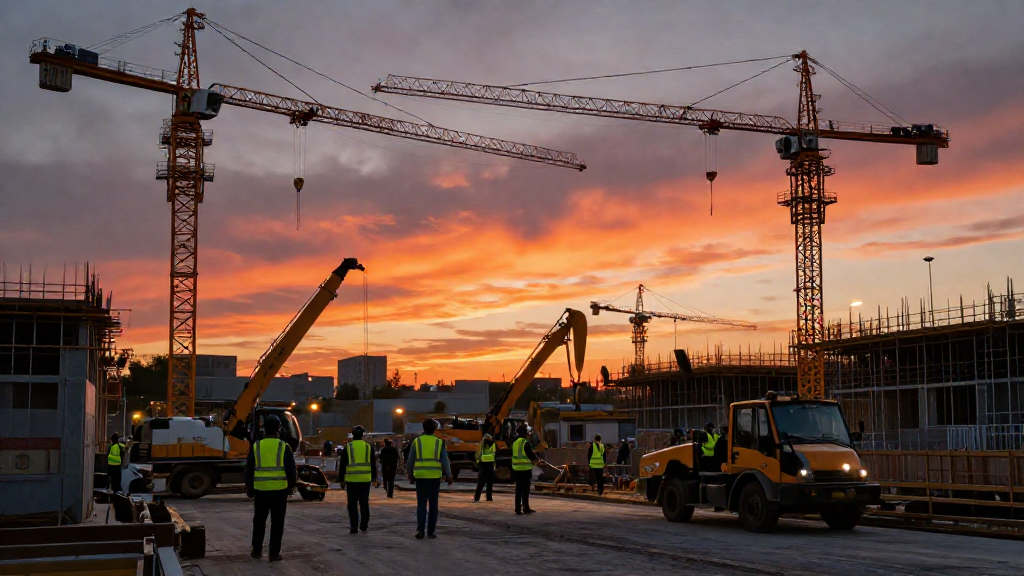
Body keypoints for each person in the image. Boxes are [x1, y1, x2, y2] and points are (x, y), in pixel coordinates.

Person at [245, 414, 297, 562]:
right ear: (279, 430)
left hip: (260, 491)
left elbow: (249, 470)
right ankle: (274, 554)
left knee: (259, 522)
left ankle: (256, 551)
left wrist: (250, 488)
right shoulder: (284, 447)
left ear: (264, 429)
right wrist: (291, 486)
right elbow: (291, 471)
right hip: (279, 491)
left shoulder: (256, 446)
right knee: (277, 523)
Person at [406, 418, 453, 539]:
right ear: (435, 429)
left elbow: (410, 461)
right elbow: (444, 460)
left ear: (423, 428)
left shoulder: (417, 442)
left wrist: (410, 474)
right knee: (433, 504)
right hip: (434, 477)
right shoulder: (439, 442)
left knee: (421, 503)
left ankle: (420, 530)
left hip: (420, 476)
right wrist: (449, 475)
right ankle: (431, 531)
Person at [338, 425, 377, 533]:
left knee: (352, 504)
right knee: (364, 503)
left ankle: (354, 527)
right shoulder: (368, 447)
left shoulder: (348, 447)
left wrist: (341, 479)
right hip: (365, 479)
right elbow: (373, 464)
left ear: (353, 435)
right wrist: (374, 478)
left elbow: (343, 465)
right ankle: (364, 525)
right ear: (362, 435)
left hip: (352, 480)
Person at [511, 424, 539, 515]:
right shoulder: (525, 443)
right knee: (525, 490)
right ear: (525, 433)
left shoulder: (515, 443)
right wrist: (536, 460)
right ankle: (526, 508)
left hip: (516, 469)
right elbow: (531, 455)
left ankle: (517, 508)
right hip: (525, 469)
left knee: (518, 489)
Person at [473, 433, 496, 502]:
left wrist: (478, 462)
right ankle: (489, 497)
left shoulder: (482, 444)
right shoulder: (493, 444)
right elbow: (494, 453)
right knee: (490, 481)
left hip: (483, 463)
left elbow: (478, 454)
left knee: (481, 482)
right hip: (491, 463)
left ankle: (477, 497)